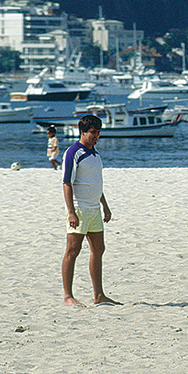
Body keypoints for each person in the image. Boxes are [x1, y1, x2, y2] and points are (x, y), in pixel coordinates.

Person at [61, 114, 120, 307]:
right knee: (73, 250)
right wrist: (70, 211)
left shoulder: (95, 154)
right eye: (93, 132)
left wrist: (105, 206)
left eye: (98, 132)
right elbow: (67, 183)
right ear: (83, 132)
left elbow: (96, 183)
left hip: (95, 208)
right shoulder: (74, 152)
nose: (96, 136)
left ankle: (99, 295)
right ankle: (68, 296)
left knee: (98, 249)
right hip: (80, 208)